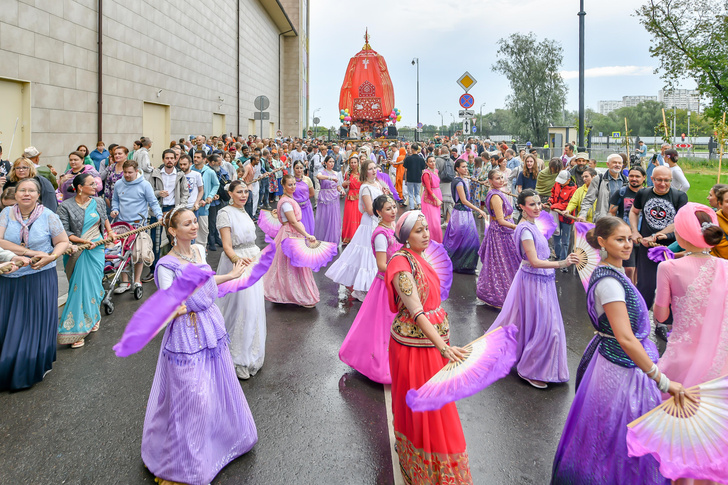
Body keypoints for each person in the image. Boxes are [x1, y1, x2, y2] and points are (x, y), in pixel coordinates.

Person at [551, 216, 689, 485]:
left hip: (621, 362)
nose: (627, 245)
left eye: (629, 239)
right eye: (619, 239)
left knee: (613, 432)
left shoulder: (614, 273)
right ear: (602, 242)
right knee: (614, 432)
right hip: (619, 370)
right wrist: (662, 380)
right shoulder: (610, 283)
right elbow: (625, 338)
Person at [143, 207, 257, 484]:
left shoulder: (199, 251)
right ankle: (181, 465)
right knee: (191, 398)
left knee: (215, 387)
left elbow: (207, 282)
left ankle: (218, 443)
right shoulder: (165, 266)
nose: (194, 227)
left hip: (209, 324)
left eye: (195, 222)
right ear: (172, 231)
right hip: (185, 333)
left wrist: (230, 276)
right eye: (187, 224)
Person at [385, 210, 473, 484]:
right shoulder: (400, 265)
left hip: (432, 342)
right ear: (405, 237)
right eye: (419, 231)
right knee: (427, 406)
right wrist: (444, 348)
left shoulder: (420, 257)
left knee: (435, 403)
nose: (427, 234)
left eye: (426, 229)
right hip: (414, 347)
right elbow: (417, 313)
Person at [488, 190, 578, 389]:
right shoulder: (525, 230)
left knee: (531, 323)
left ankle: (541, 366)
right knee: (547, 328)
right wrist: (563, 263)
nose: (537, 207)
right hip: (533, 281)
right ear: (521, 206)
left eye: (539, 203)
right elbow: (535, 262)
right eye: (532, 204)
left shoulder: (533, 225)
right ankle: (531, 369)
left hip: (541, 280)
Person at [0, 178, 69, 390]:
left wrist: (51, 256)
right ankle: (7, 366)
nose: (26, 194)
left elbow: (63, 242)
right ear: (16, 194)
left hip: (40, 278)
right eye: (22, 190)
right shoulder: (5, 214)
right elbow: (0, 241)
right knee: (10, 323)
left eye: (31, 191)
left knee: (33, 323)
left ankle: (29, 367)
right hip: (10, 279)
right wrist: (30, 252)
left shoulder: (49, 216)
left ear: (38, 195)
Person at [655, 203, 728, 394]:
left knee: (673, 414)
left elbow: (661, 317)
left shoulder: (668, 267)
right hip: (719, 359)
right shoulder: (725, 267)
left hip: (681, 357)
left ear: (681, 233)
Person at [339, 195, 401, 384]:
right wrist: (402, 265)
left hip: (397, 281)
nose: (393, 211)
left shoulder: (394, 227)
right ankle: (379, 364)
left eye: (394, 207)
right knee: (383, 326)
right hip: (386, 284)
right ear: (379, 212)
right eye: (388, 209)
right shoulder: (381, 234)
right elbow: (382, 265)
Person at [629, 165, 688, 340]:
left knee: (669, 286)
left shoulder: (679, 196)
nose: (663, 184)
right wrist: (634, 230)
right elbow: (634, 212)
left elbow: (679, 222)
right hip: (647, 249)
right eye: (659, 180)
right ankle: (639, 320)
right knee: (646, 285)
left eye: (667, 180)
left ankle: (663, 323)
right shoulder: (644, 193)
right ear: (652, 179)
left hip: (670, 249)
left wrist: (656, 235)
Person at [57, 173, 115, 348]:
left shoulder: (97, 202)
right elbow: (64, 232)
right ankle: (76, 331)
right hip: (77, 251)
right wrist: (83, 242)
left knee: (94, 284)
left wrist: (110, 233)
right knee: (79, 288)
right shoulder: (65, 207)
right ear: (80, 187)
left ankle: (93, 317)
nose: (96, 187)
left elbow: (104, 219)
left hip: (96, 249)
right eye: (92, 184)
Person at [216, 181, 266, 380]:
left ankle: (251, 353)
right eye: (239, 192)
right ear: (230, 193)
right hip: (237, 263)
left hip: (253, 259)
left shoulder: (245, 211)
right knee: (242, 309)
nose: (244, 195)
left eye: (246, 191)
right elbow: (227, 246)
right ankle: (238, 358)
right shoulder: (225, 214)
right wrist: (238, 263)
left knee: (254, 308)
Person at [325, 159, 384, 299]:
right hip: (370, 222)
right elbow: (370, 210)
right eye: (370, 169)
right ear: (365, 171)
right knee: (367, 253)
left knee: (373, 253)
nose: (374, 171)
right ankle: (363, 288)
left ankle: (368, 286)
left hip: (379, 220)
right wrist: (384, 213)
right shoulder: (365, 187)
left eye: (374, 168)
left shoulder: (377, 184)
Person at [263, 174, 320, 307]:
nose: (293, 187)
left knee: (291, 266)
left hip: (293, 233)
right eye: (289, 184)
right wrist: (307, 235)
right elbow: (293, 222)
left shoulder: (288, 199)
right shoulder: (286, 202)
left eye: (294, 184)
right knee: (292, 266)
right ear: (283, 186)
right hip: (290, 235)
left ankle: (290, 292)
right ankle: (294, 294)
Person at [110, 160, 163, 293]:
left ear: (136, 171)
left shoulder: (145, 185)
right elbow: (115, 200)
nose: (127, 175)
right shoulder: (118, 184)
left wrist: (159, 216)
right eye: (125, 172)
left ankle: (137, 280)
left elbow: (153, 202)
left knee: (138, 253)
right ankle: (125, 281)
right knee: (121, 253)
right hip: (122, 224)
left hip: (138, 224)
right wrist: (114, 209)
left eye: (130, 172)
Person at [476, 170, 520, 308]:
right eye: (497, 178)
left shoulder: (498, 193)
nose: (501, 180)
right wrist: (517, 227)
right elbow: (501, 221)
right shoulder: (495, 196)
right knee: (503, 265)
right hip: (502, 233)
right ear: (490, 181)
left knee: (505, 264)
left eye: (502, 177)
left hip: (502, 232)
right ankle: (502, 297)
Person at [148, 149, 189, 277]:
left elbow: (185, 193)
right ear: (163, 159)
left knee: (174, 240)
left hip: (173, 210)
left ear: (175, 160)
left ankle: (175, 268)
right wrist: (158, 193)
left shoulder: (180, 175)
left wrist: (179, 209)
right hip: (158, 210)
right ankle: (153, 270)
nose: (169, 160)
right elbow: (149, 192)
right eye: (167, 158)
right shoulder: (155, 174)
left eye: (172, 158)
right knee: (155, 241)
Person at [443, 159, 486, 274]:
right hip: (462, 215)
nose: (466, 168)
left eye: (466, 166)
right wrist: (479, 210)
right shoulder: (459, 182)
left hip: (460, 213)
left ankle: (459, 264)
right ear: (457, 169)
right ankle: (463, 265)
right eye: (463, 167)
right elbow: (464, 200)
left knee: (459, 240)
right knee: (469, 240)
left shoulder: (459, 180)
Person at [608, 166, 647, 281]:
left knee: (640, 269)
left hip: (644, 236)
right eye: (631, 176)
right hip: (626, 236)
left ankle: (636, 289)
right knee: (629, 268)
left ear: (644, 178)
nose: (634, 179)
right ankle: (629, 287)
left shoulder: (647, 193)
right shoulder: (621, 193)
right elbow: (612, 212)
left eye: (637, 176)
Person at [578, 154, 627, 222]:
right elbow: (588, 199)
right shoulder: (599, 179)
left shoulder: (626, 181)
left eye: (619, 163)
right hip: (604, 220)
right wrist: (582, 214)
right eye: (614, 162)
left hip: (622, 221)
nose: (617, 165)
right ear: (608, 164)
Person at [547, 170, 577, 267]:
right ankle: (557, 256)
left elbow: (569, 203)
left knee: (565, 240)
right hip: (555, 215)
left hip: (566, 218)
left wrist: (555, 206)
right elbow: (552, 194)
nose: (560, 182)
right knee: (556, 235)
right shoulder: (557, 184)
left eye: (562, 181)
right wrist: (550, 201)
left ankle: (564, 260)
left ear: (568, 180)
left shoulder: (573, 189)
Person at [191, 151, 219, 248]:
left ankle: (202, 249)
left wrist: (210, 196)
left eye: (198, 157)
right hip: (192, 204)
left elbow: (216, 184)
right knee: (192, 228)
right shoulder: (190, 170)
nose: (195, 159)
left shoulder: (209, 171)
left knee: (203, 228)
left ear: (204, 159)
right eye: (194, 157)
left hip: (204, 205)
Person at [314, 155, 344, 244]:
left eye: (333, 162)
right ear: (326, 163)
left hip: (334, 197)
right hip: (324, 197)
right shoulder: (322, 172)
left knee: (333, 218)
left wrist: (341, 190)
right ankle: (323, 239)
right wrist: (330, 177)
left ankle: (333, 240)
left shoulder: (336, 173)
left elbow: (337, 185)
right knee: (324, 218)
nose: (332, 164)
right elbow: (318, 177)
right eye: (330, 162)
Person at [420, 155, 443, 243]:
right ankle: (430, 242)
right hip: (430, 199)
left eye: (434, 161)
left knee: (437, 222)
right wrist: (436, 199)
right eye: (431, 161)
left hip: (437, 196)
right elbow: (428, 189)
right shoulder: (426, 173)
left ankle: (438, 243)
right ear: (427, 163)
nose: (433, 163)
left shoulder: (436, 171)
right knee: (433, 223)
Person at [101, 145, 128, 214]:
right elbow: (108, 183)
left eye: (120, 154)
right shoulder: (112, 167)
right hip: (112, 199)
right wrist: (107, 197)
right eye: (115, 154)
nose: (117, 155)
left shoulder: (130, 167)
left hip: (126, 200)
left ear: (126, 155)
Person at [341, 156, 362, 244]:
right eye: (351, 163)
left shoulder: (362, 174)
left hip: (359, 198)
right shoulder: (347, 174)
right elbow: (345, 185)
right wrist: (344, 184)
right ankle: (349, 237)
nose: (353, 164)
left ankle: (358, 238)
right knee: (350, 218)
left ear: (358, 163)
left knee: (358, 218)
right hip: (350, 197)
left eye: (355, 162)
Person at [291, 160, 315, 235]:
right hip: (295, 208)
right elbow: (287, 194)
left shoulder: (307, 179)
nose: (299, 170)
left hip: (307, 207)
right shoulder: (291, 180)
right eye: (297, 168)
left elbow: (312, 193)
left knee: (308, 227)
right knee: (297, 229)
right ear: (293, 169)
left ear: (303, 168)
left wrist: (303, 200)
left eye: (301, 168)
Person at [435, 147, 455, 226]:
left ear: (441, 152)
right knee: (449, 202)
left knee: (441, 201)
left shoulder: (438, 160)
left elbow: (436, 171)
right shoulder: (451, 160)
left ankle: (445, 221)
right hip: (450, 182)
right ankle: (448, 220)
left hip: (441, 182)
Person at [403, 144, 426, 210]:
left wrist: (406, 179)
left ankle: (412, 208)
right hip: (418, 178)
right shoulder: (421, 159)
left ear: (412, 149)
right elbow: (422, 170)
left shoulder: (408, 159)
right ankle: (419, 205)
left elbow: (406, 170)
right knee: (417, 193)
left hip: (410, 178)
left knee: (410, 194)